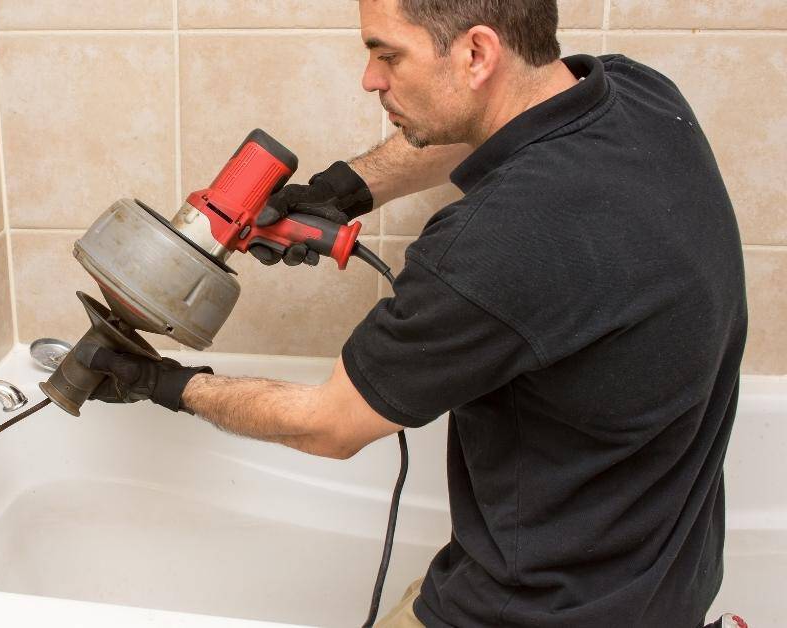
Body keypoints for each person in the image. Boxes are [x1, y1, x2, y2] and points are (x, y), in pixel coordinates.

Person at [76, 1, 748, 626]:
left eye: (388, 55)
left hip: (537, 612)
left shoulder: (497, 242)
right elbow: (478, 128)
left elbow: (329, 427)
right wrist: (344, 190)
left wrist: (163, 383)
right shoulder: (639, 97)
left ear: (477, 54)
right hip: (665, 583)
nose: (370, 78)